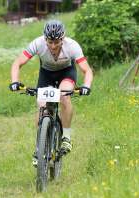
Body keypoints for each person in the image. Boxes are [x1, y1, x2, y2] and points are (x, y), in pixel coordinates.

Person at [9, 19, 93, 159]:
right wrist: (14, 81)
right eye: (50, 41)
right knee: (42, 107)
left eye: (57, 42)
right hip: (46, 74)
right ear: (45, 38)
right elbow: (17, 63)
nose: (53, 46)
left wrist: (86, 86)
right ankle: (40, 147)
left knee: (64, 96)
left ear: (63, 38)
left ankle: (66, 137)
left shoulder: (72, 46)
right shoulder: (38, 43)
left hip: (66, 72)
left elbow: (87, 70)